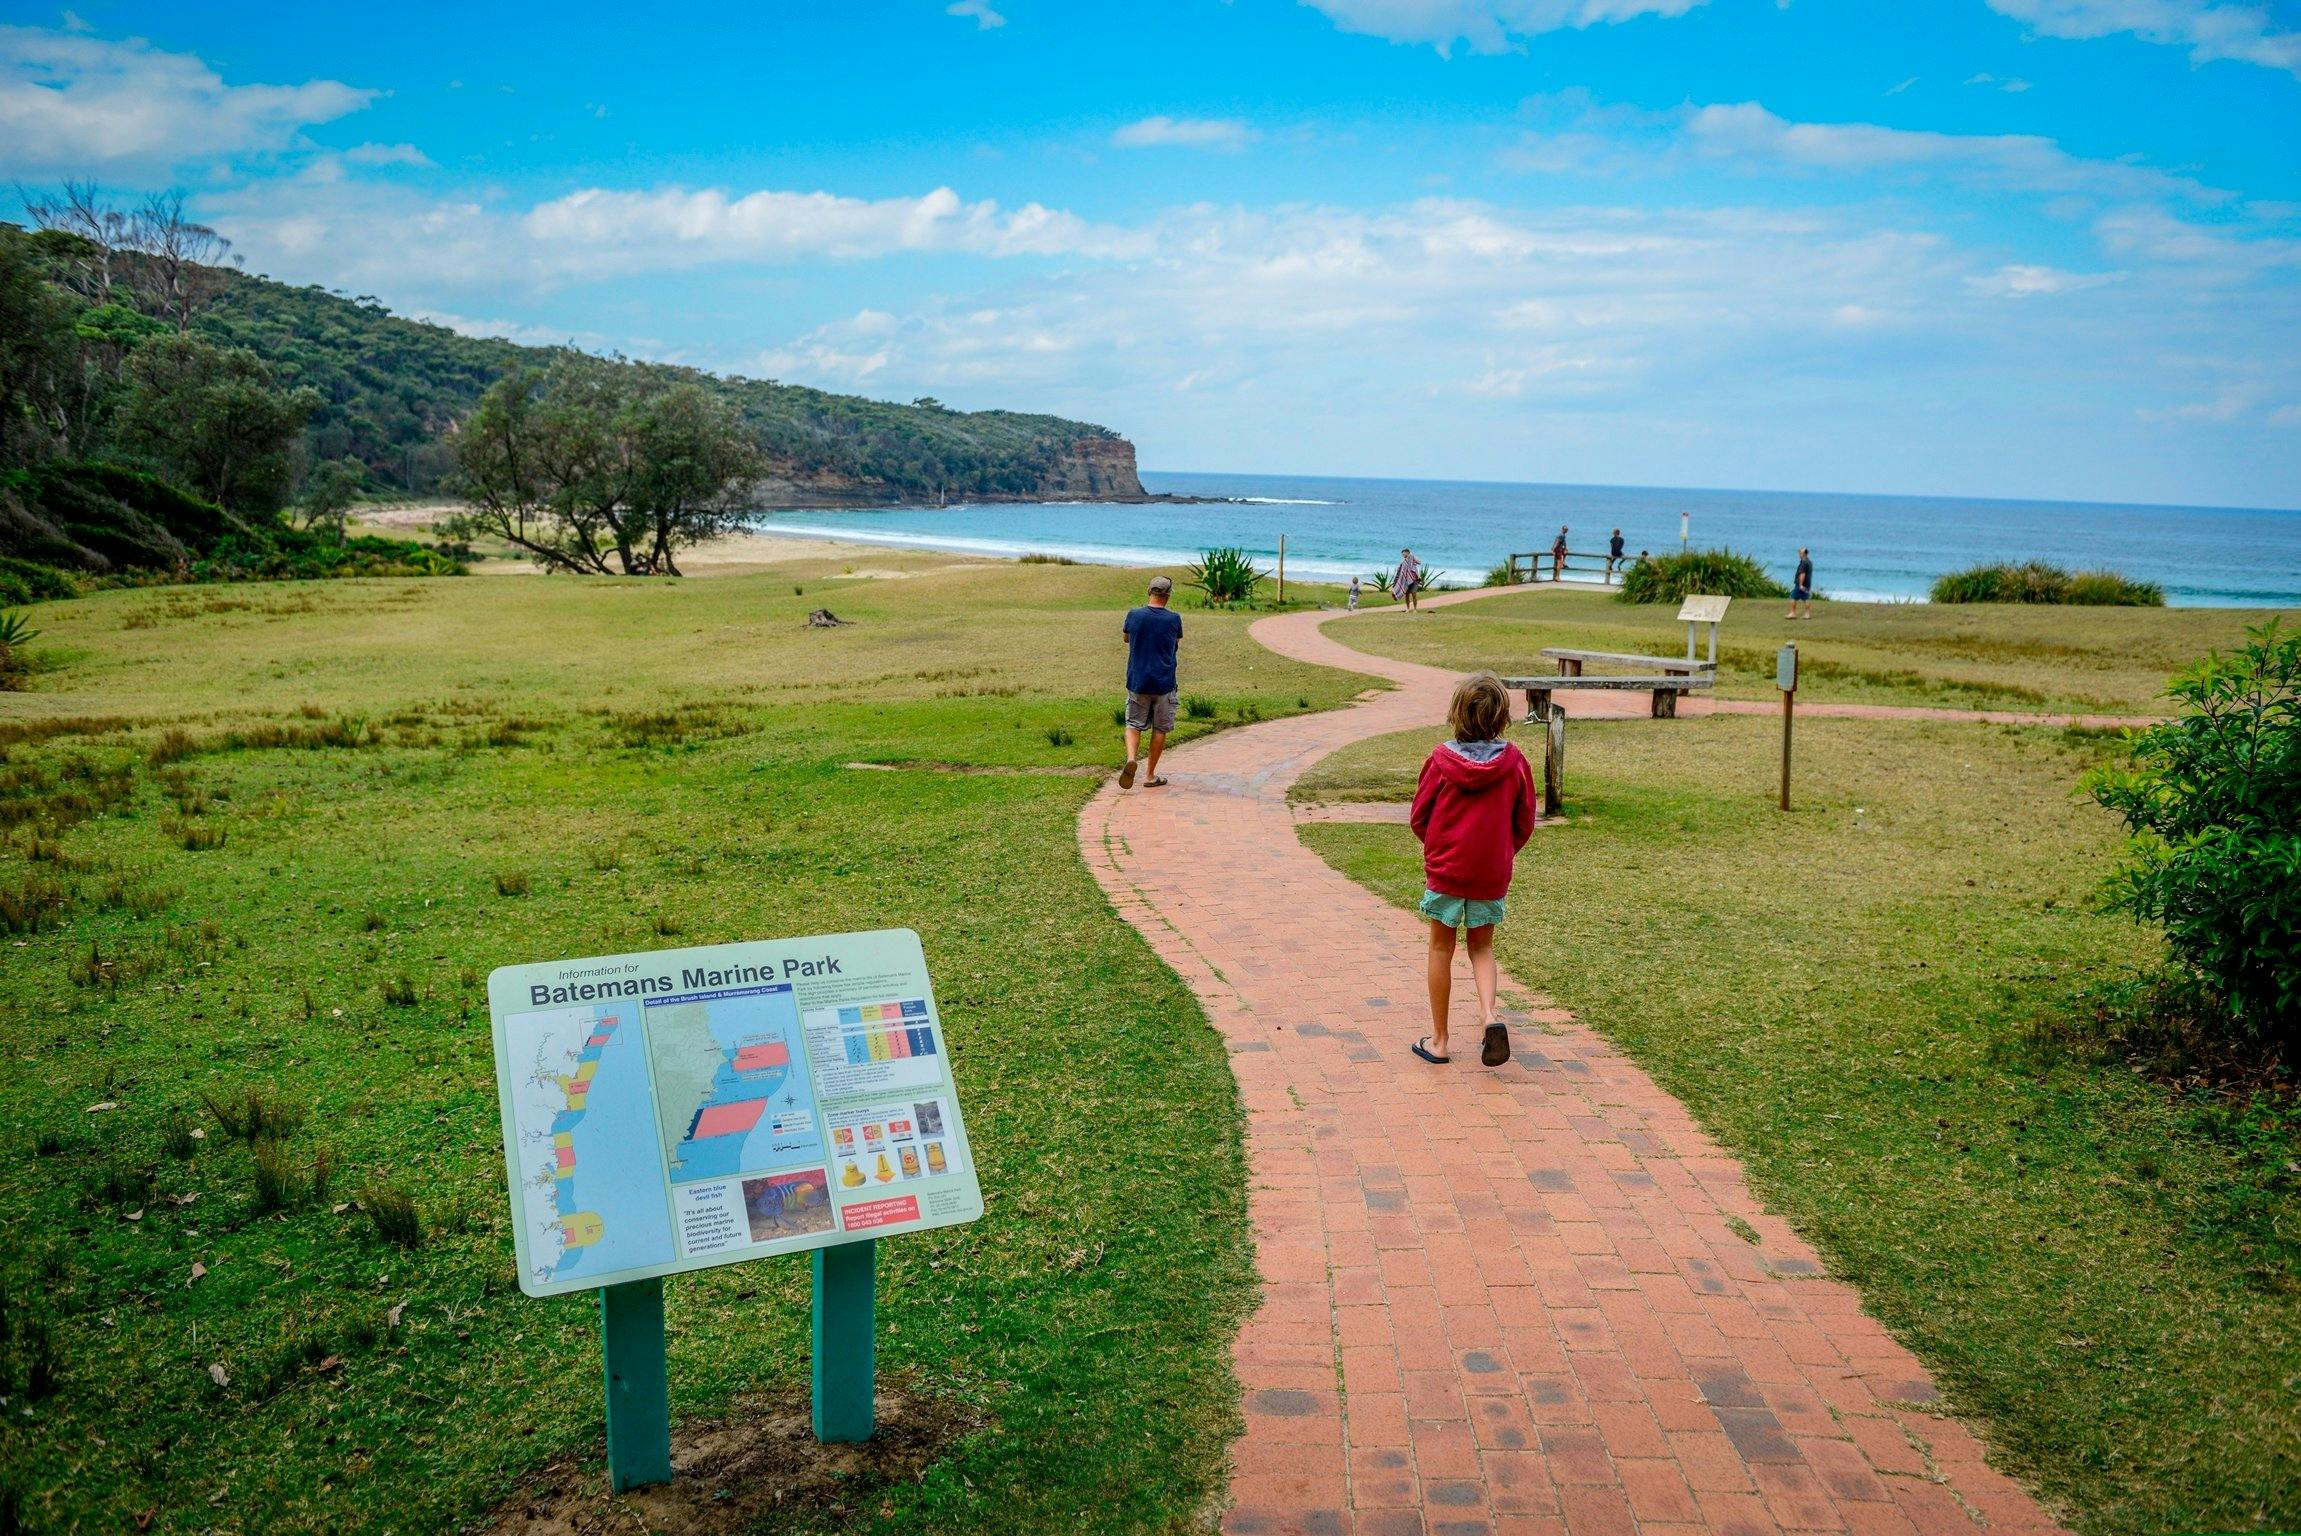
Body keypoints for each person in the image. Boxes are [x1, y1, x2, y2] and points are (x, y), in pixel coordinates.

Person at [1407, 672, 1537, 1069]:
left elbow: (1419, 817)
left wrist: (1440, 847)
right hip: (1490, 872)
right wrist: (1500, 852)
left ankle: (1441, 1040)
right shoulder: (1514, 763)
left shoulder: (1440, 760)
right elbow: (1525, 820)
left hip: (1447, 869)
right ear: (1502, 716)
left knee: (1441, 948)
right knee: (1481, 947)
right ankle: (1489, 1018)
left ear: (1456, 714)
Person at [1119, 575, 1183, 789]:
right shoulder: (1174, 619)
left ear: (1149, 592)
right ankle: (1149, 775)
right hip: (1164, 681)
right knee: (1160, 729)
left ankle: (1131, 758)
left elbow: (1126, 638)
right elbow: (1175, 642)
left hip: (1137, 679)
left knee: (1133, 723)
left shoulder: (1134, 615)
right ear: (1167, 596)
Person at [1391, 548, 1422, 612]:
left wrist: (1412, 556)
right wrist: (1395, 582)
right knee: (1407, 594)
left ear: (1408, 553)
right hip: (1406, 581)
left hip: (1414, 580)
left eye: (1404, 554)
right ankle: (1408, 608)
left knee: (1414, 593)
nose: (1403, 555)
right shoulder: (1403, 563)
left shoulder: (1412, 558)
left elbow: (1419, 562)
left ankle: (1415, 609)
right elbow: (1399, 573)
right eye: (1402, 554)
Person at [1788, 547, 1814, 619]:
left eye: (1800, 553)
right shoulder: (1809, 562)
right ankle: (1807, 614)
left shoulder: (1803, 563)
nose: (1799, 554)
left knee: (1793, 597)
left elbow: (1802, 574)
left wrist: (1800, 585)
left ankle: (1792, 613)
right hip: (1807, 584)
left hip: (1801, 584)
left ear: (1804, 554)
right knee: (1806, 599)